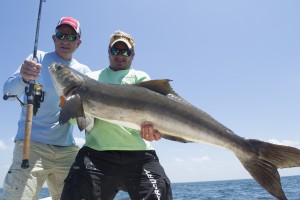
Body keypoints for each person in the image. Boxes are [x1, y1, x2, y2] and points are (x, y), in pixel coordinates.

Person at [61, 30, 173, 200]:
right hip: (96, 154)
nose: (120, 55)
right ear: (108, 52)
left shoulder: (141, 78)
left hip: (139, 155)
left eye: (125, 51)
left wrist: (156, 132)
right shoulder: (91, 78)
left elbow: (153, 121)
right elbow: (72, 122)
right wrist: (66, 104)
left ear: (132, 55)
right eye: (115, 50)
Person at [2, 17, 91, 200]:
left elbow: (89, 116)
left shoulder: (85, 71)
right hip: (31, 145)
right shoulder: (37, 59)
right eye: (61, 35)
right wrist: (24, 78)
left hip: (67, 149)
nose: (65, 40)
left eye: (71, 36)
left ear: (78, 42)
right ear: (54, 38)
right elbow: (7, 91)